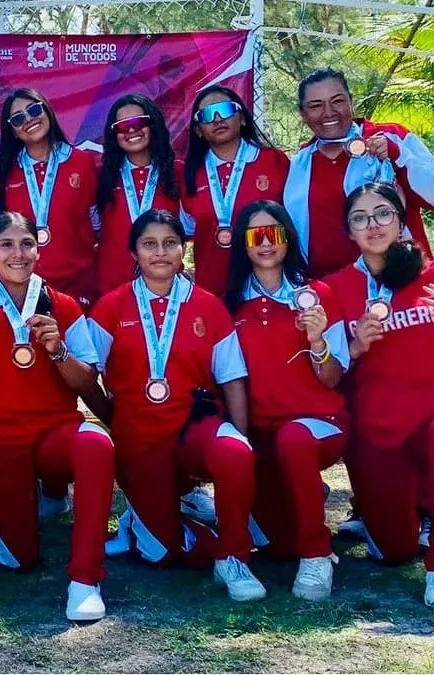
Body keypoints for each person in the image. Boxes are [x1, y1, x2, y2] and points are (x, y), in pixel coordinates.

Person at [0, 212, 116, 621]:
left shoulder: (64, 306)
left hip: (55, 431)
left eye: (27, 244)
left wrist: (58, 351)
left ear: (38, 249)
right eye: (6, 245)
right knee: (19, 560)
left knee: (95, 442)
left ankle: (85, 580)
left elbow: (87, 381)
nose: (18, 254)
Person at [324, 182, 434, 610]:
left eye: (383, 213)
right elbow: (323, 374)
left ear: (400, 221)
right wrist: (355, 346)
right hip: (376, 433)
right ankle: (406, 509)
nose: (373, 224)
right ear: (349, 230)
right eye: (360, 217)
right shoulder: (333, 289)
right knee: (394, 552)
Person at [89, 208, 264, 602]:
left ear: (183, 249)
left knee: (235, 452)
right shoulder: (111, 306)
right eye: (149, 244)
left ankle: (234, 558)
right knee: (163, 554)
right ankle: (147, 522)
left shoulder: (208, 305)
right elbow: (85, 374)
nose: (160, 252)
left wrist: (240, 436)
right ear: (133, 253)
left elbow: (232, 377)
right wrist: (112, 417)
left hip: (194, 424)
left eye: (170, 243)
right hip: (140, 437)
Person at [222, 201, 349, 600]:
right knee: (277, 547)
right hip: (263, 433)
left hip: (317, 424)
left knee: (295, 439)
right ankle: (306, 495)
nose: (265, 243)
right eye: (255, 235)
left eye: (273, 233)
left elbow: (333, 378)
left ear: (288, 238)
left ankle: (317, 555)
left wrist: (317, 341)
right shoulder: (231, 303)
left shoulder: (318, 295)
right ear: (242, 243)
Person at [284, 68, 434, 279]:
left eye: (337, 101)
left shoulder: (392, 137)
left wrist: (399, 156)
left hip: (400, 281)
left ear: (351, 102)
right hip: (327, 287)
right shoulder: (297, 163)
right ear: (302, 114)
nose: (328, 112)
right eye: (316, 106)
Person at [0, 88, 99, 309]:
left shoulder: (82, 162)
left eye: (34, 110)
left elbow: (97, 224)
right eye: (18, 118)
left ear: (48, 111)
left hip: (79, 285)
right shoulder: (6, 172)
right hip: (26, 288)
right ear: (13, 131)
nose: (29, 119)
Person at [182, 87, 289, 297]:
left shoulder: (274, 161)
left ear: (241, 118)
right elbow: (183, 233)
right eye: (207, 115)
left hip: (268, 290)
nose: (217, 119)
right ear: (198, 130)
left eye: (225, 109)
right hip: (212, 291)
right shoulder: (190, 174)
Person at [95, 94, 183, 299]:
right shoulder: (100, 175)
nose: (131, 130)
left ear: (153, 125)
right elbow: (93, 228)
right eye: (122, 126)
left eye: (139, 122)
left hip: (166, 285)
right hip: (112, 286)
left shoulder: (177, 172)